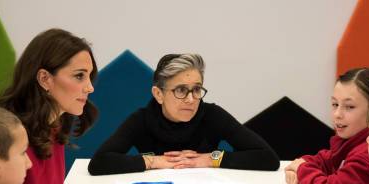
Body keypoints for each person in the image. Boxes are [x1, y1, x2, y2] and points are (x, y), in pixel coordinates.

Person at [87, 54, 280, 175]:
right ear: (158, 94)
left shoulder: (212, 114)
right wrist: (154, 161)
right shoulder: (142, 119)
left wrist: (212, 159)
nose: (191, 99)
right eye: (180, 90)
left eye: (196, 89)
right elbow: (99, 163)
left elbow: (268, 158)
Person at [0, 28, 98, 184]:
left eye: (89, 76)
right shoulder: (9, 137)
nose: (90, 87)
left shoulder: (54, 127)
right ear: (44, 79)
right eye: (79, 76)